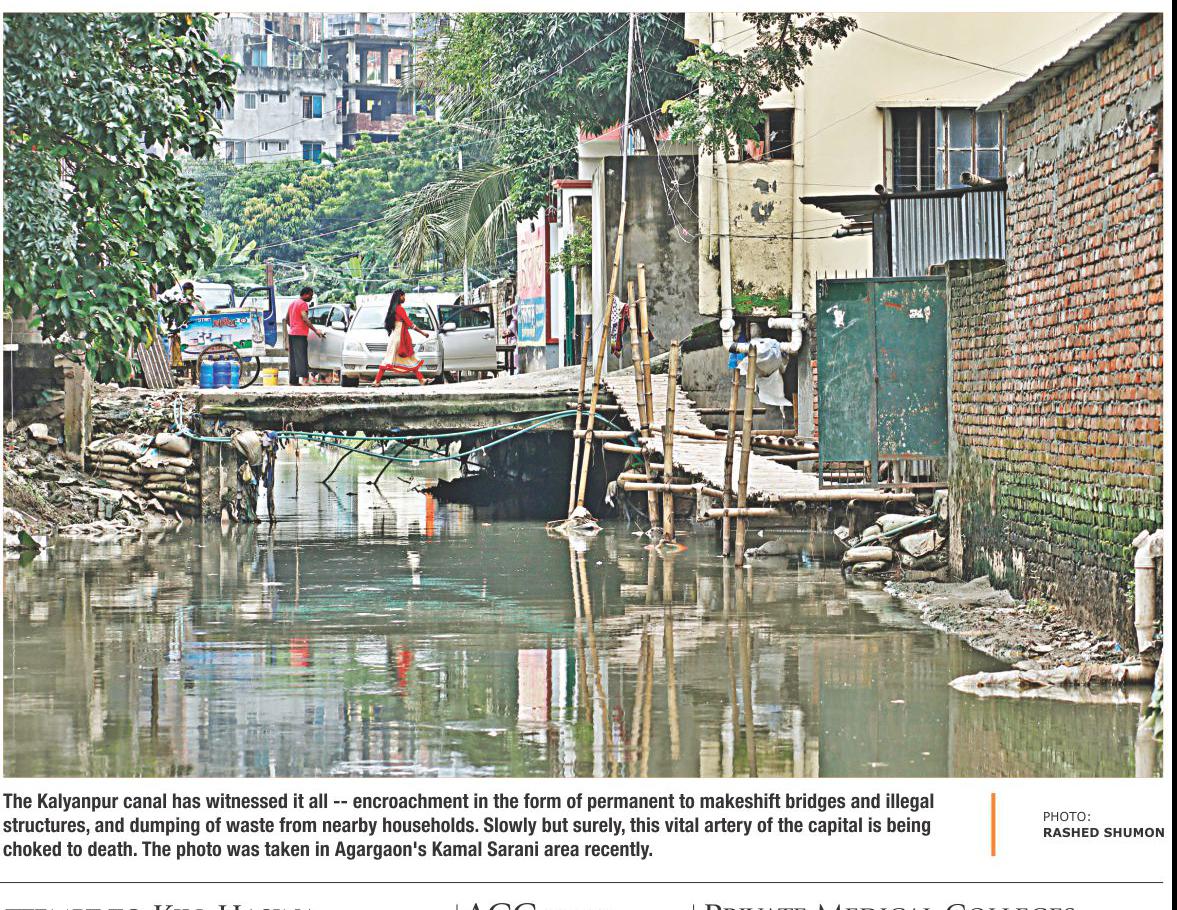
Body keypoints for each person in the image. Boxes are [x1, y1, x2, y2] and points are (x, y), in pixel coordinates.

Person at [374, 289, 426, 386]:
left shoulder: (393, 309)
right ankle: (376, 381)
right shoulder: (400, 309)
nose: (404, 298)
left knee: (393, 359)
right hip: (399, 338)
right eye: (403, 296)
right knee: (407, 359)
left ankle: (421, 379)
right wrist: (423, 333)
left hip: (395, 337)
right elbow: (410, 323)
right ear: (399, 297)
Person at [286, 286, 323, 386]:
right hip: (300, 334)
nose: (311, 297)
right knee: (302, 357)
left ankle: (293, 381)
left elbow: (287, 318)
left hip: (292, 333)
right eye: (310, 295)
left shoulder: (293, 303)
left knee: (293, 358)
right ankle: (305, 380)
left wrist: (293, 327)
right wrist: (316, 330)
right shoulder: (303, 304)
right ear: (306, 294)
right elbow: (305, 318)